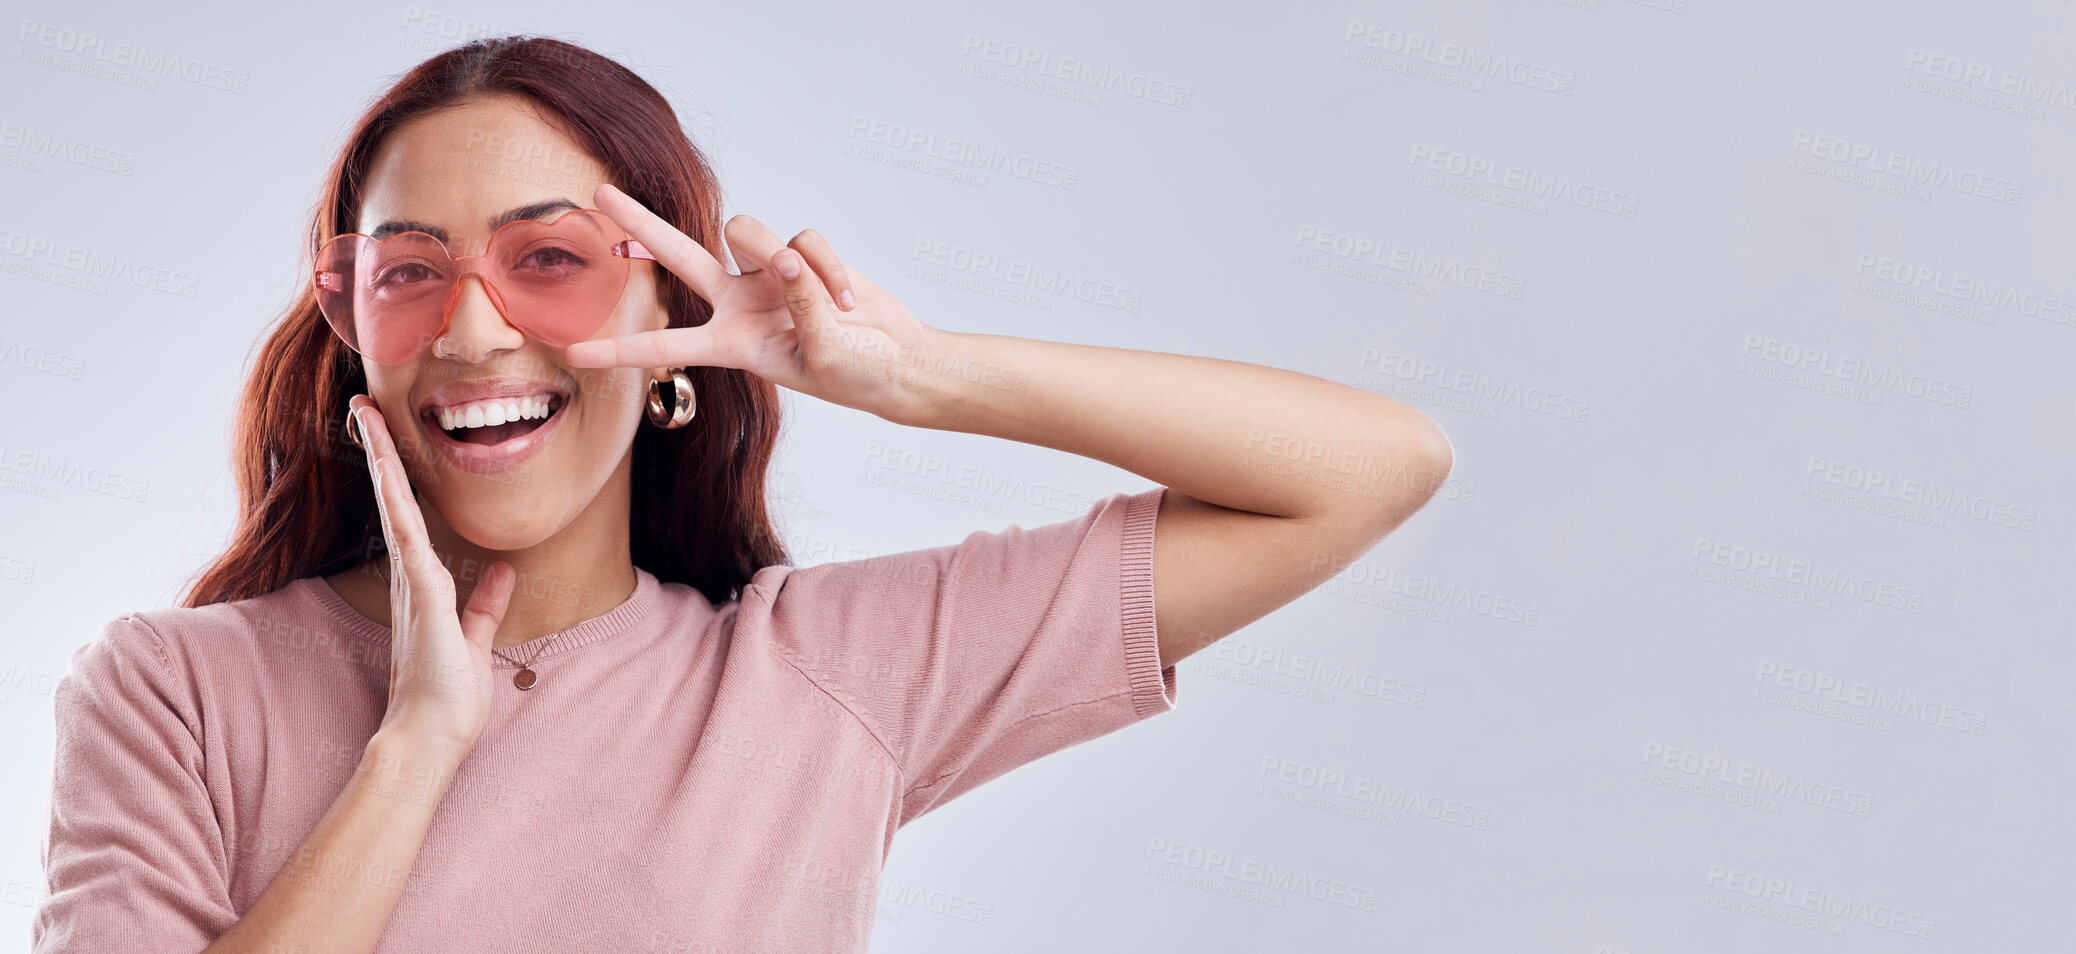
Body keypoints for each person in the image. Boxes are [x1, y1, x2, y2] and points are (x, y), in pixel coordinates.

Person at [32, 35, 1453, 954]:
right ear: (353, 325)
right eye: (410, 273)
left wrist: (922, 374)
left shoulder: (823, 674)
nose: (473, 334)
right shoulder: (172, 692)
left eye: (550, 259)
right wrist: (415, 745)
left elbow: (1373, 469)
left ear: (673, 331)